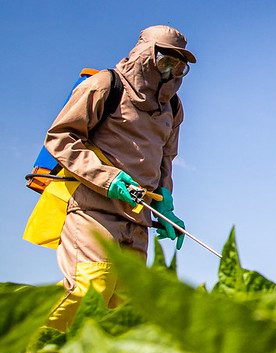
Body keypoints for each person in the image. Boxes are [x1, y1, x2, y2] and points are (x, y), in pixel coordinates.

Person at [44, 25, 196, 331]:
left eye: (179, 66)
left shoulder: (173, 108)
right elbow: (60, 137)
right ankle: (26, 350)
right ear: (145, 55)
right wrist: (107, 179)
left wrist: (165, 203)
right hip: (94, 210)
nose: (171, 71)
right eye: (165, 61)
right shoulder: (105, 85)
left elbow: (165, 159)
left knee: (126, 309)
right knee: (90, 290)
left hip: (137, 220)